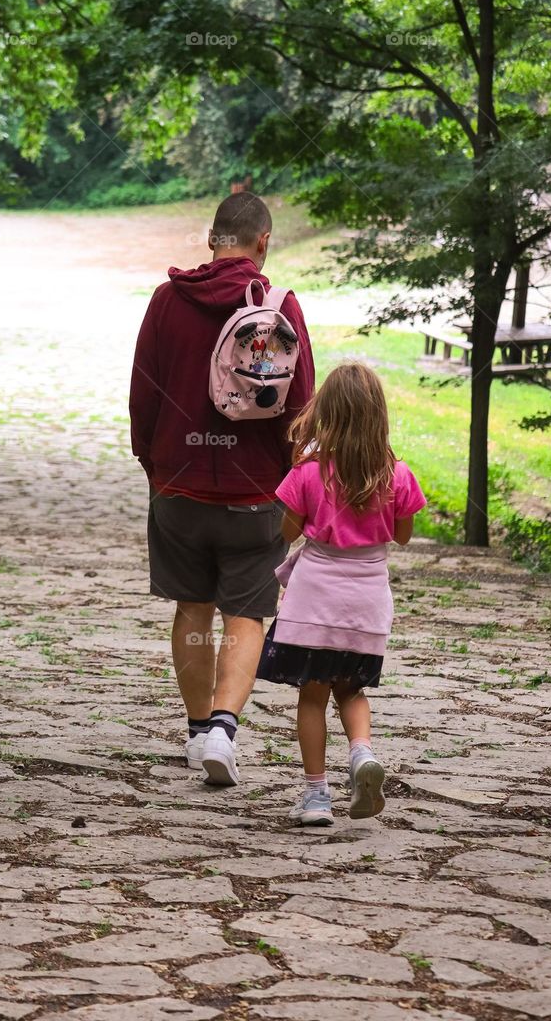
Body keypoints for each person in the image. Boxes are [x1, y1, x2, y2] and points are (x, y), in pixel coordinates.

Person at [129, 192, 315, 786]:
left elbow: (143, 392)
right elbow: (303, 405)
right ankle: (222, 733)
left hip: (179, 485)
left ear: (212, 239)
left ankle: (193, 730)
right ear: (263, 242)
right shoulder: (281, 305)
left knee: (192, 609)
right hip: (256, 490)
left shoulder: (166, 301)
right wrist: (294, 483)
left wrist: (154, 464)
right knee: (247, 615)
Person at [257, 362, 426, 826]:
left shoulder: (310, 473)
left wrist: (304, 496)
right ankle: (361, 753)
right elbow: (403, 534)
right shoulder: (398, 475)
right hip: (367, 603)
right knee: (351, 689)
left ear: (325, 413)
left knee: (312, 697)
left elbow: (287, 532)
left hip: (315, 599)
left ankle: (315, 797)